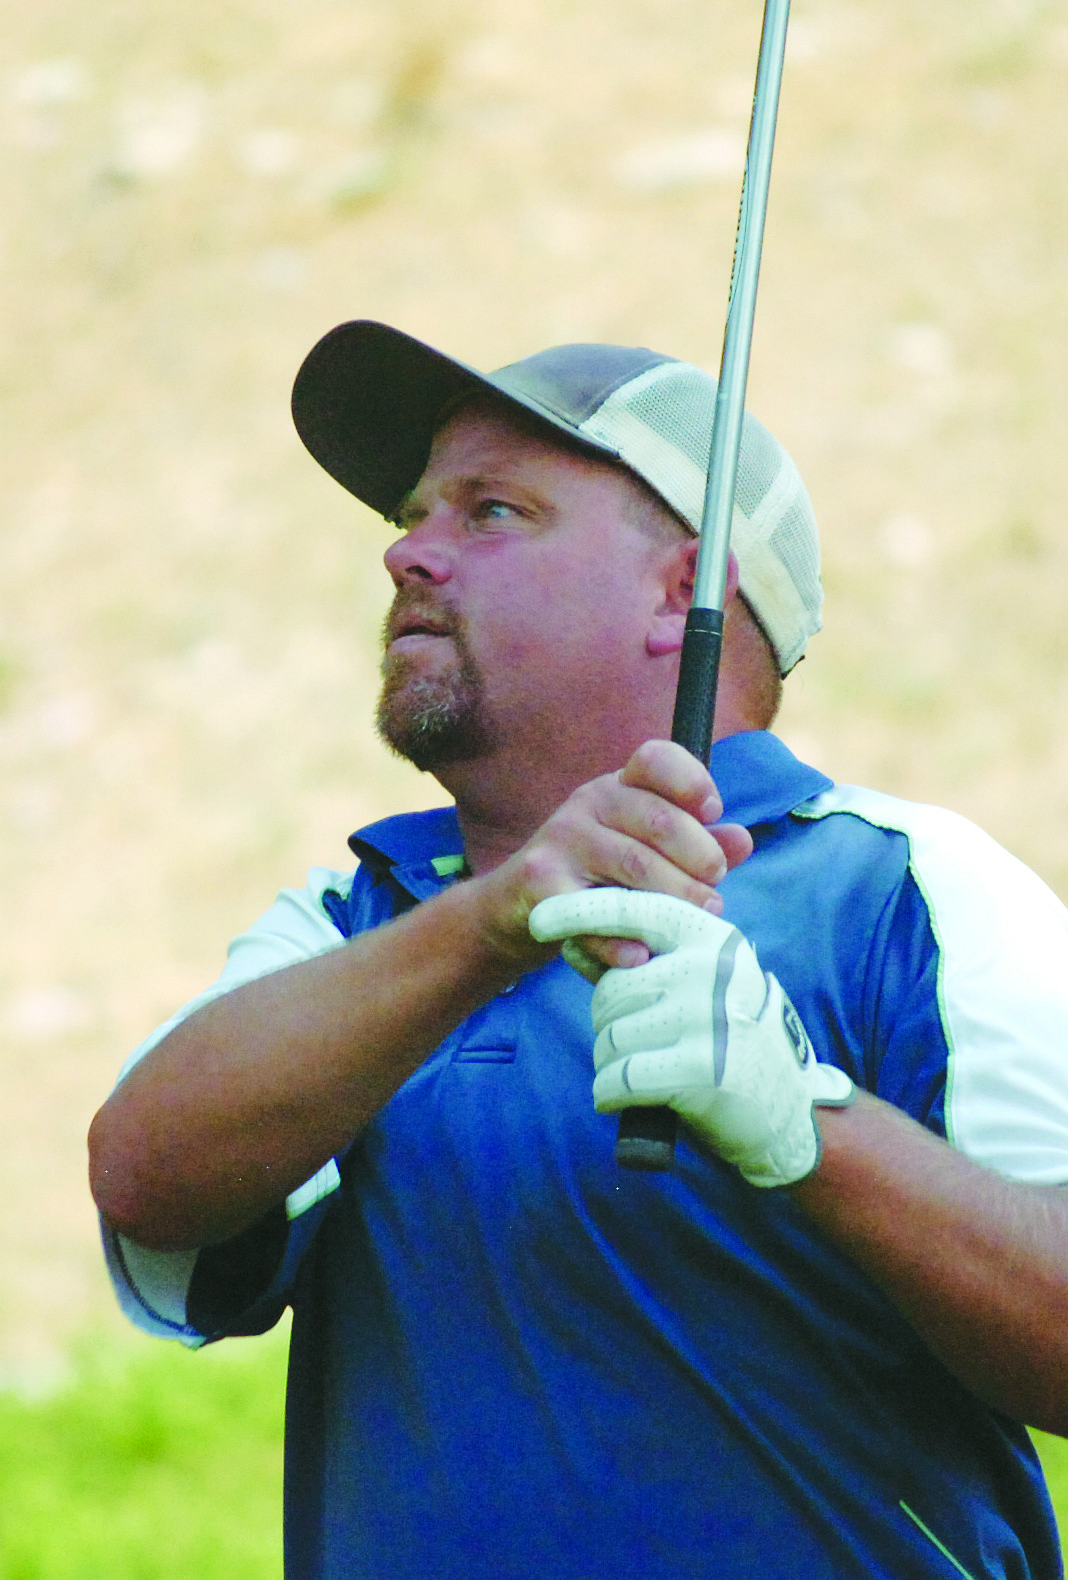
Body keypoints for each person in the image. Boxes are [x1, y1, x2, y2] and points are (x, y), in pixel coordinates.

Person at [89, 320, 1068, 1580]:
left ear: (685, 593)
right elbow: (146, 1175)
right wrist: (496, 918)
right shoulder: (354, 926)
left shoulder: (910, 888)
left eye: (490, 513)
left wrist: (809, 1131)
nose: (407, 551)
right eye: (412, 512)